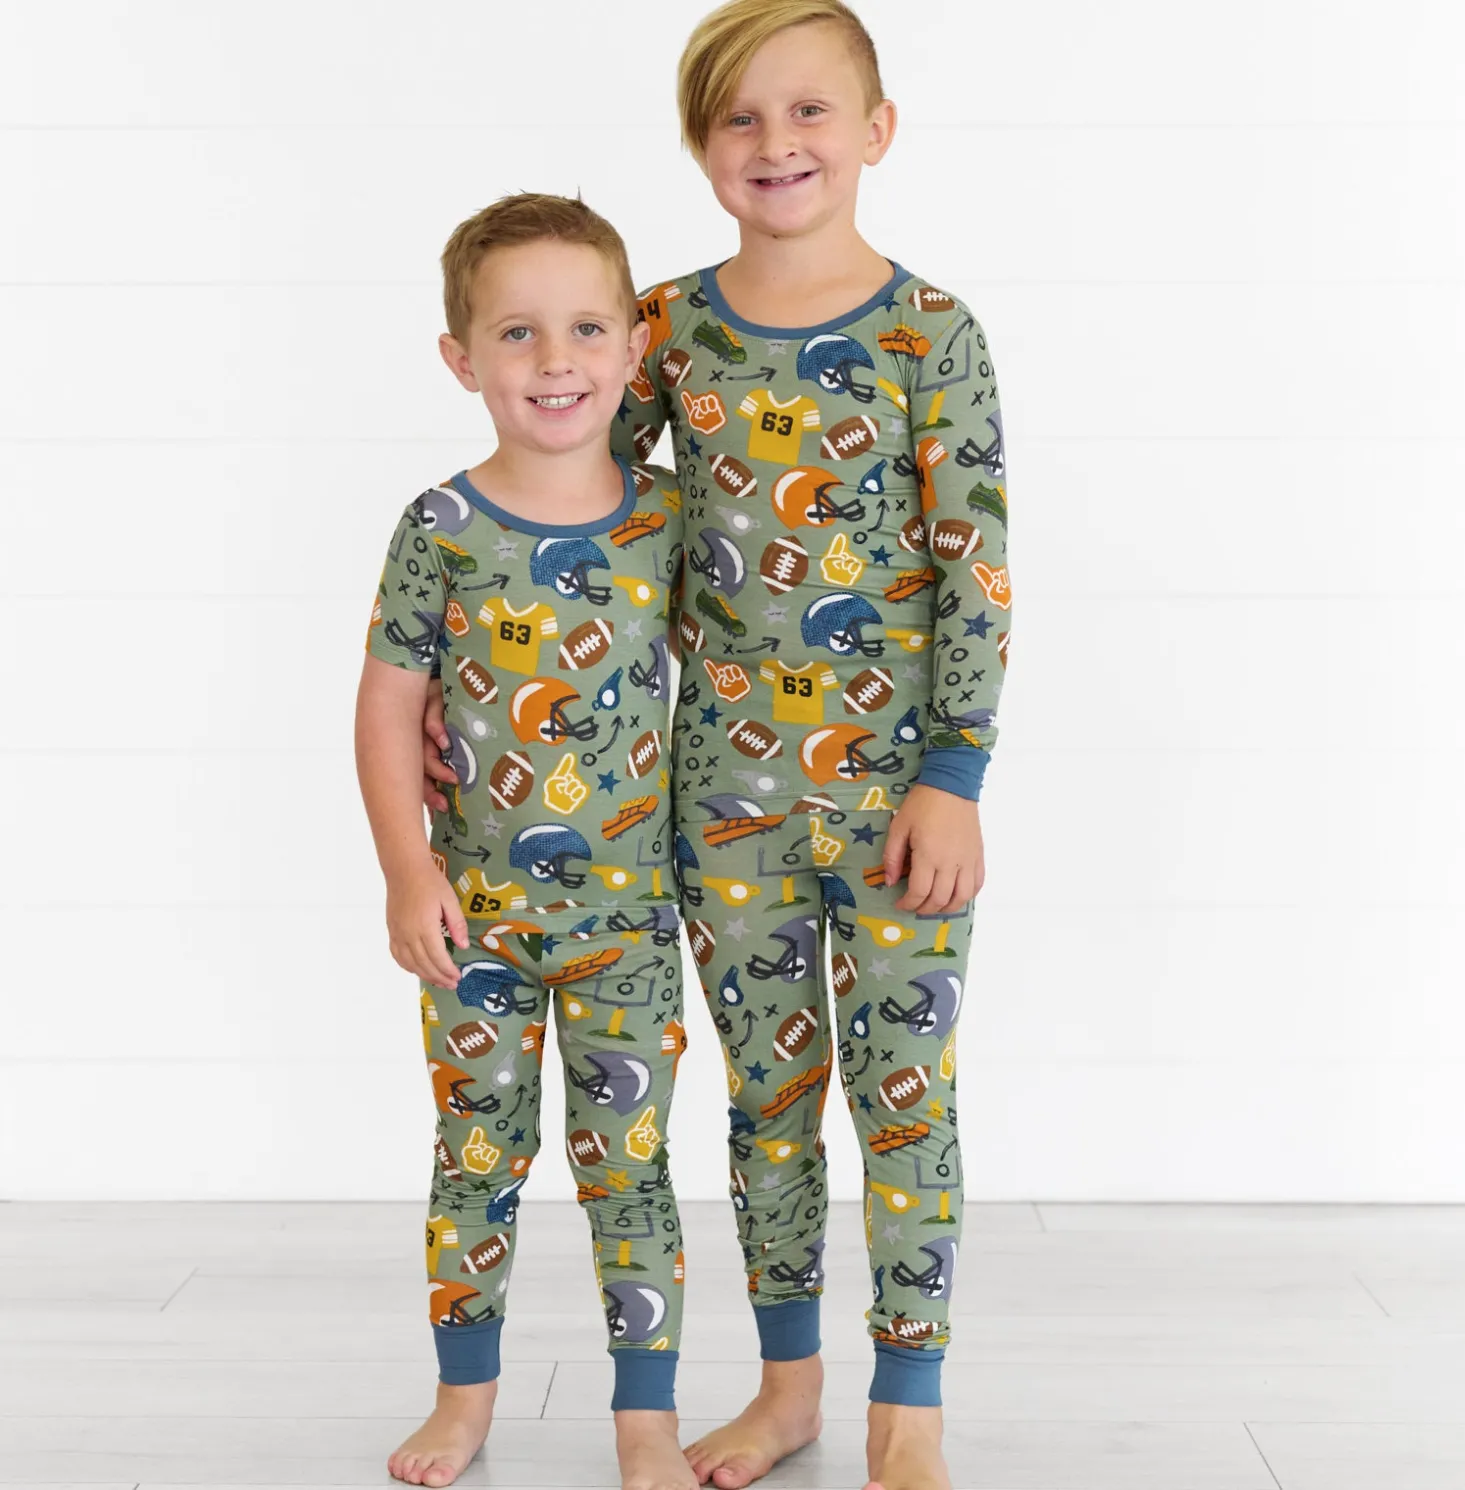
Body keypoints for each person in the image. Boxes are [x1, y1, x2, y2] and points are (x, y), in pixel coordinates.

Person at [423, 5, 1010, 1485]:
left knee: (904, 1097)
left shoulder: (932, 334)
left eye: (809, 111)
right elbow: (571, 513)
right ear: (699, 148)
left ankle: (909, 1410)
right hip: (719, 799)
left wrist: (954, 776)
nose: (776, 143)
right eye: (740, 117)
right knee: (767, 1104)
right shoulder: (663, 327)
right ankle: (788, 1386)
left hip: (896, 800)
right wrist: (455, 685)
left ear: (876, 130)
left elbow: (977, 570)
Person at [356, 192, 696, 1490]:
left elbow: (729, 677)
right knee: (475, 1164)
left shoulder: (667, 521)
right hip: (475, 923)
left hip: (632, 926)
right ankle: (464, 1400)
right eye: (517, 332)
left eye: (586, 328)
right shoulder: (440, 527)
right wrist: (407, 868)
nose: (556, 359)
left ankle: (645, 1421)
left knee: (631, 1176)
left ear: (632, 349)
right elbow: (386, 703)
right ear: (462, 358)